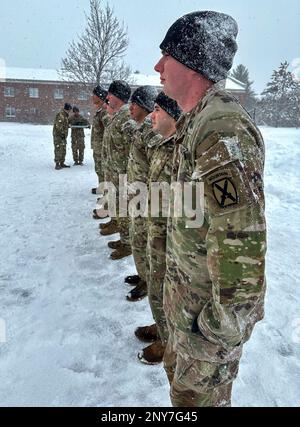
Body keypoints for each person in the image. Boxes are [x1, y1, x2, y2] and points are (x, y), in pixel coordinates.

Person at [154, 11, 267, 407]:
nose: (158, 67)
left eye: (166, 55)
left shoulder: (220, 127)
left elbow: (241, 244)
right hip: (187, 319)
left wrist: (216, 332)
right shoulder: (196, 122)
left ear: (192, 61)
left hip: (204, 334)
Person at [137, 92, 181, 365]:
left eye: (157, 110)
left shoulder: (182, 150)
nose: (152, 116)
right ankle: (162, 327)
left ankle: (170, 341)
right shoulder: (163, 145)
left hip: (172, 242)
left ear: (173, 115)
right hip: (157, 235)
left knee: (167, 290)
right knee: (156, 288)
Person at [122, 86, 158, 302]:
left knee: (145, 241)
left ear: (144, 106)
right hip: (137, 195)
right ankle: (144, 274)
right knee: (138, 239)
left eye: (134, 104)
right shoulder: (140, 128)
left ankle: (149, 280)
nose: (130, 108)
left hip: (147, 198)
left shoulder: (151, 130)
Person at [99, 80, 133, 260]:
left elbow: (133, 148)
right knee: (119, 209)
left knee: (124, 210)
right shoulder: (118, 116)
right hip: (114, 173)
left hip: (124, 176)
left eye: (110, 94)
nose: (107, 98)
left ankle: (128, 244)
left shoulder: (126, 117)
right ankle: (123, 238)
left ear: (117, 96)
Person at [90, 85, 109, 196]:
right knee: (99, 168)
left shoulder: (104, 111)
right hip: (98, 147)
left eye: (94, 95)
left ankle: (106, 190)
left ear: (100, 97)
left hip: (103, 147)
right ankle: (102, 187)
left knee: (103, 169)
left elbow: (108, 129)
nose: (92, 97)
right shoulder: (100, 110)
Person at [53, 103, 72, 170]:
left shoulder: (65, 115)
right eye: (70, 110)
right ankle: (57, 163)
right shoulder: (61, 115)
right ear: (67, 109)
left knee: (63, 149)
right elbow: (58, 126)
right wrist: (62, 133)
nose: (70, 111)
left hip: (63, 136)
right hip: (59, 136)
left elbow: (64, 125)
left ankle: (62, 162)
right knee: (58, 148)